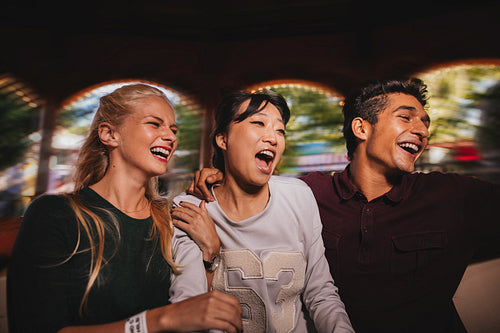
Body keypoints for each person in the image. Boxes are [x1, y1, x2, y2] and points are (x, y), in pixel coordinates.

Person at [186, 78, 500, 332]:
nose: (421, 130)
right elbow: (249, 189)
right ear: (361, 128)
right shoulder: (306, 194)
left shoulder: (453, 195)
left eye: (424, 122)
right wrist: (219, 175)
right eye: (406, 117)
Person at [7, 84, 242, 333]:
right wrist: (159, 320)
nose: (171, 137)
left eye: (173, 129)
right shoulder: (54, 214)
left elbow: (194, 311)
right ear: (110, 134)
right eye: (154, 124)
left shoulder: (174, 218)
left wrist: (210, 254)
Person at [171, 90, 354, 333]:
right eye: (258, 123)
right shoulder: (191, 208)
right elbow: (187, 311)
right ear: (223, 139)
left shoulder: (299, 196)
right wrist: (210, 255)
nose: (273, 137)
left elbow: (320, 293)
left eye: (280, 130)